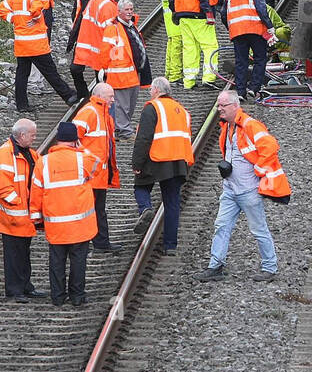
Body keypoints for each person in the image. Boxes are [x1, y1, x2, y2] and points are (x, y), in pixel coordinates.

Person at [200, 90, 290, 283]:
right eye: (218, 105)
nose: (219, 109)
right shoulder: (227, 126)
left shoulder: (250, 125)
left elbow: (271, 146)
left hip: (248, 190)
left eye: (223, 105)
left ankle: (269, 267)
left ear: (235, 106)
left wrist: (258, 169)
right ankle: (215, 266)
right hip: (231, 189)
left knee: (258, 229)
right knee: (221, 226)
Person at [31, 121, 103, 306]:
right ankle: (77, 296)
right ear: (74, 141)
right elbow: (97, 164)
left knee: (57, 261)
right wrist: (83, 149)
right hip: (80, 225)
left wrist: (36, 218)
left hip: (56, 224)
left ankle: (58, 296)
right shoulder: (82, 159)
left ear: (57, 140)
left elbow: (36, 192)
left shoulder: (43, 162)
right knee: (78, 261)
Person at [0, 0, 79, 112]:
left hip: (21, 43)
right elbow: (36, 8)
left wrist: (13, 19)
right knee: (50, 72)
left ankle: (22, 105)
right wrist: (34, 17)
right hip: (36, 44)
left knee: (22, 74)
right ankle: (69, 96)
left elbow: (1, 8)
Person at [131, 77, 194, 256]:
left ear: (157, 90)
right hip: (178, 162)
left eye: (151, 89)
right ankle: (170, 245)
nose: (150, 92)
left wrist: (137, 163)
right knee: (172, 202)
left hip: (156, 159)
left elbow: (144, 138)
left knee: (141, 187)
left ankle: (145, 209)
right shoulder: (182, 111)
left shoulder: (153, 107)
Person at [0, 118, 47, 302]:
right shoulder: (6, 153)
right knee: (14, 253)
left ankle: (25, 286)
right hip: (12, 215)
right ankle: (15, 290)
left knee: (23, 252)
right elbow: (2, 187)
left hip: (23, 215)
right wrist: (20, 202)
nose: (34, 138)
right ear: (22, 135)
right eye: (32, 135)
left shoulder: (28, 153)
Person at [74, 82, 120, 254]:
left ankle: (100, 242)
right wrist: (86, 161)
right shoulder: (90, 112)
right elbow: (72, 138)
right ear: (100, 96)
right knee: (92, 209)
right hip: (90, 173)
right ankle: (96, 242)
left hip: (97, 172)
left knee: (98, 208)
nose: (113, 100)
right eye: (110, 97)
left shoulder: (102, 113)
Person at [168, 0, 219, 90]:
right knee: (210, 47)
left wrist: (175, 12)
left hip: (183, 17)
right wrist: (209, 13)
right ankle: (209, 77)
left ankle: (189, 81)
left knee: (190, 48)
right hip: (199, 16)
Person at [101, 0, 151, 138]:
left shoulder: (130, 26)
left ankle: (122, 128)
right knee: (122, 105)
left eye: (131, 9)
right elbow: (106, 52)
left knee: (129, 104)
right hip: (120, 75)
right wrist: (105, 69)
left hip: (132, 73)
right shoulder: (113, 29)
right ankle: (124, 131)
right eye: (127, 10)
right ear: (119, 12)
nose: (130, 12)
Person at [225, 0, 275, 100]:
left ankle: (240, 92)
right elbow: (261, 9)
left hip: (237, 31)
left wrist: (231, 27)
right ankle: (254, 88)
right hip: (255, 30)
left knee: (241, 62)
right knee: (260, 59)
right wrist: (270, 26)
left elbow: (223, 12)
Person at [73, 0, 121, 103]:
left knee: (97, 77)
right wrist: (117, 56)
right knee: (105, 80)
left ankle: (94, 99)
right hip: (102, 48)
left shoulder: (95, 0)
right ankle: (103, 101)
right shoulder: (108, 6)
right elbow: (113, 33)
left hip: (92, 46)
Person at [156, 0, 191, 84]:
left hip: (171, 12)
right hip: (172, 13)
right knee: (177, 43)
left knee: (173, 43)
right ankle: (175, 75)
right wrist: (174, 2)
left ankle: (171, 73)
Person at [66, 0, 101, 99]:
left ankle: (99, 96)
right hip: (83, 39)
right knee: (75, 69)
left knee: (100, 72)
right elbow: (75, 17)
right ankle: (83, 95)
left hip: (99, 40)